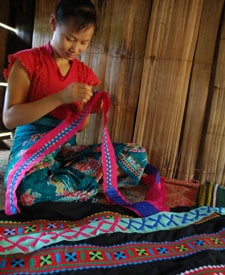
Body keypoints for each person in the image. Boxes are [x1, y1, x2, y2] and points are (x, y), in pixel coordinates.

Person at [2, 0, 148, 215]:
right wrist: (60, 97)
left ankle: (64, 185)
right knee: (28, 191)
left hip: (66, 151)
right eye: (69, 39)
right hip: (33, 147)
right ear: (53, 24)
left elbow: (80, 128)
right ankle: (82, 184)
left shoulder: (83, 74)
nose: (75, 48)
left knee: (136, 154)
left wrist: (85, 110)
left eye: (84, 42)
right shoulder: (27, 62)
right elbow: (9, 119)